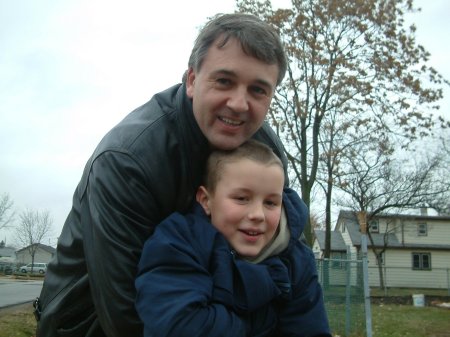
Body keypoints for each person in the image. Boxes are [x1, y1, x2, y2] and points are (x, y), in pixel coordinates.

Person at [35, 13, 291, 337]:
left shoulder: (266, 153)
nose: (239, 104)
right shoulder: (127, 162)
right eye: (224, 81)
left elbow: (281, 266)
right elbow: (125, 316)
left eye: (258, 90)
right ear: (192, 80)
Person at [135, 140, 331, 337]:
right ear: (206, 200)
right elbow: (178, 326)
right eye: (242, 198)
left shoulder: (297, 259)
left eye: (271, 202)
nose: (258, 214)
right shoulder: (177, 242)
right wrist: (262, 322)